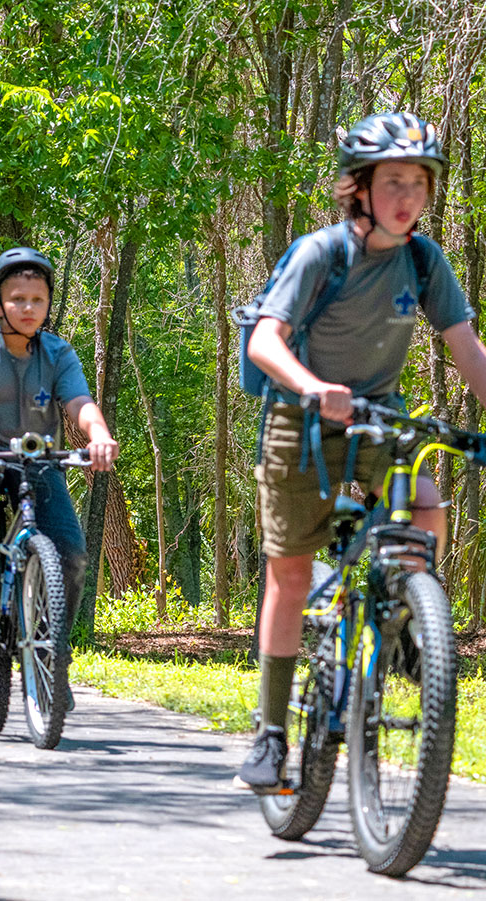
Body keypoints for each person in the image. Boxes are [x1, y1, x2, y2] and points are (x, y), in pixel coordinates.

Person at [235, 112, 486, 792]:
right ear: (361, 187)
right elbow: (264, 340)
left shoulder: (424, 261)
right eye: (393, 180)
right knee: (288, 577)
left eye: (419, 182)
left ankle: (403, 621)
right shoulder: (323, 254)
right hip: (302, 422)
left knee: (427, 508)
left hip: (380, 422)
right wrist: (315, 387)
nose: (407, 195)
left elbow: (467, 351)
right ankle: (271, 733)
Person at [0, 247, 117, 610]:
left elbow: (80, 403)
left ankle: (52, 649)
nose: (29, 308)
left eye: (38, 300)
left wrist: (99, 435)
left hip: (37, 458)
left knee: (70, 552)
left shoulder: (58, 353)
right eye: (18, 299)